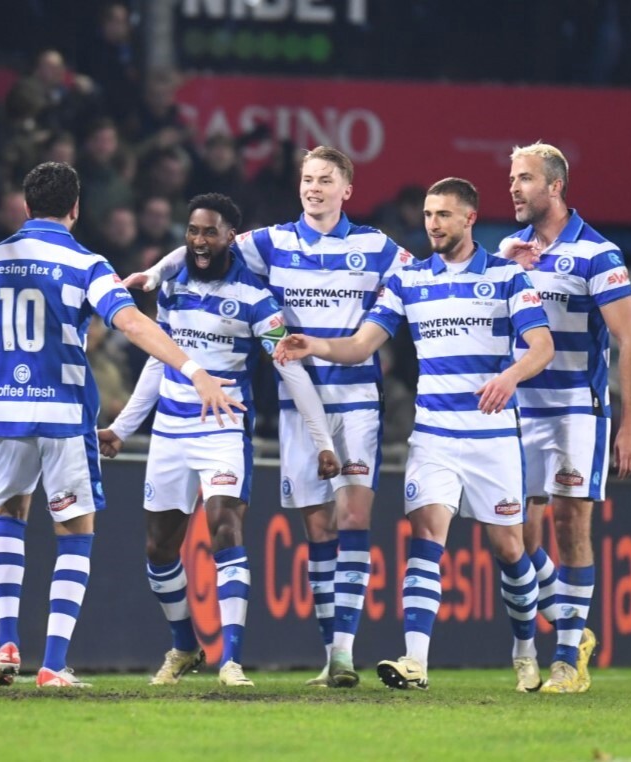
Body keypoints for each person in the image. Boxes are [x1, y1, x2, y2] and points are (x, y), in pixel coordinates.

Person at [0, 162, 243, 688]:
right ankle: (52, 664)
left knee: (9, 513)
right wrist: (194, 371)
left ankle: (6, 642)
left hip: (5, 412)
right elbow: (131, 323)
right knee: (74, 531)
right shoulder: (86, 263)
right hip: (62, 415)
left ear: (26, 207)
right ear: (75, 209)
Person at [125, 146, 413, 687]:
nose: (314, 187)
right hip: (296, 401)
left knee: (352, 516)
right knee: (318, 526)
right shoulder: (270, 242)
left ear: (346, 189)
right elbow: (202, 244)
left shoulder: (375, 245)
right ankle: (331, 655)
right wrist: (151, 272)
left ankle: (345, 654)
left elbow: (421, 277)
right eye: (307, 179)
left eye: (326, 180)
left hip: (354, 398)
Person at [277, 177, 555, 691]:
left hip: (492, 437)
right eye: (428, 214)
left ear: (470, 219)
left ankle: (524, 651)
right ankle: (416, 663)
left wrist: (510, 376)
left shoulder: (507, 277)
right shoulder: (409, 280)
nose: (433, 223)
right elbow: (362, 346)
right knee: (425, 538)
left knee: (510, 551)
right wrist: (311, 344)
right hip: (433, 435)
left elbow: (541, 346)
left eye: (444, 215)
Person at [98, 193, 340, 687]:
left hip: (224, 429)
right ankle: (185, 646)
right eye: (192, 231)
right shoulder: (171, 287)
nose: (199, 242)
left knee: (224, 526)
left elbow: (290, 373)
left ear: (232, 236)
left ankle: (230, 659)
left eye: (210, 232)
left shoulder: (256, 300)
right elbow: (156, 360)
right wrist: (122, 428)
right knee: (160, 549)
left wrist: (323, 441)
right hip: (169, 429)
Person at [498, 142, 631, 693]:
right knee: (511, 532)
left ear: (555, 187)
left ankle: (565, 662)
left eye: (525, 179)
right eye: (512, 178)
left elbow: (630, 340)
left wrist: (629, 424)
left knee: (570, 524)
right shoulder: (512, 249)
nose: (513, 187)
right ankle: (574, 624)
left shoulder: (597, 254)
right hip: (520, 408)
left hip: (576, 412)